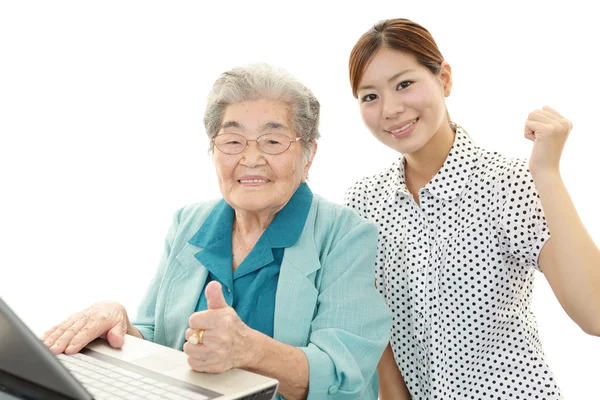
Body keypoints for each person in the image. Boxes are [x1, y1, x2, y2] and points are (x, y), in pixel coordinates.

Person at [41, 63, 393, 400]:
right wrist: (119, 327)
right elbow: (156, 340)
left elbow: (345, 379)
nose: (250, 158)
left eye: (273, 141)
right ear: (214, 149)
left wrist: (251, 350)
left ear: (309, 156)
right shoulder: (188, 222)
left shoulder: (346, 235)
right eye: (233, 140)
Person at [344, 18, 600, 400]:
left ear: (444, 79)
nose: (390, 109)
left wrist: (546, 172)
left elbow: (594, 313)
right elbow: (375, 328)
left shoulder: (506, 183)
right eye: (370, 96)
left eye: (404, 84)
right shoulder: (364, 202)